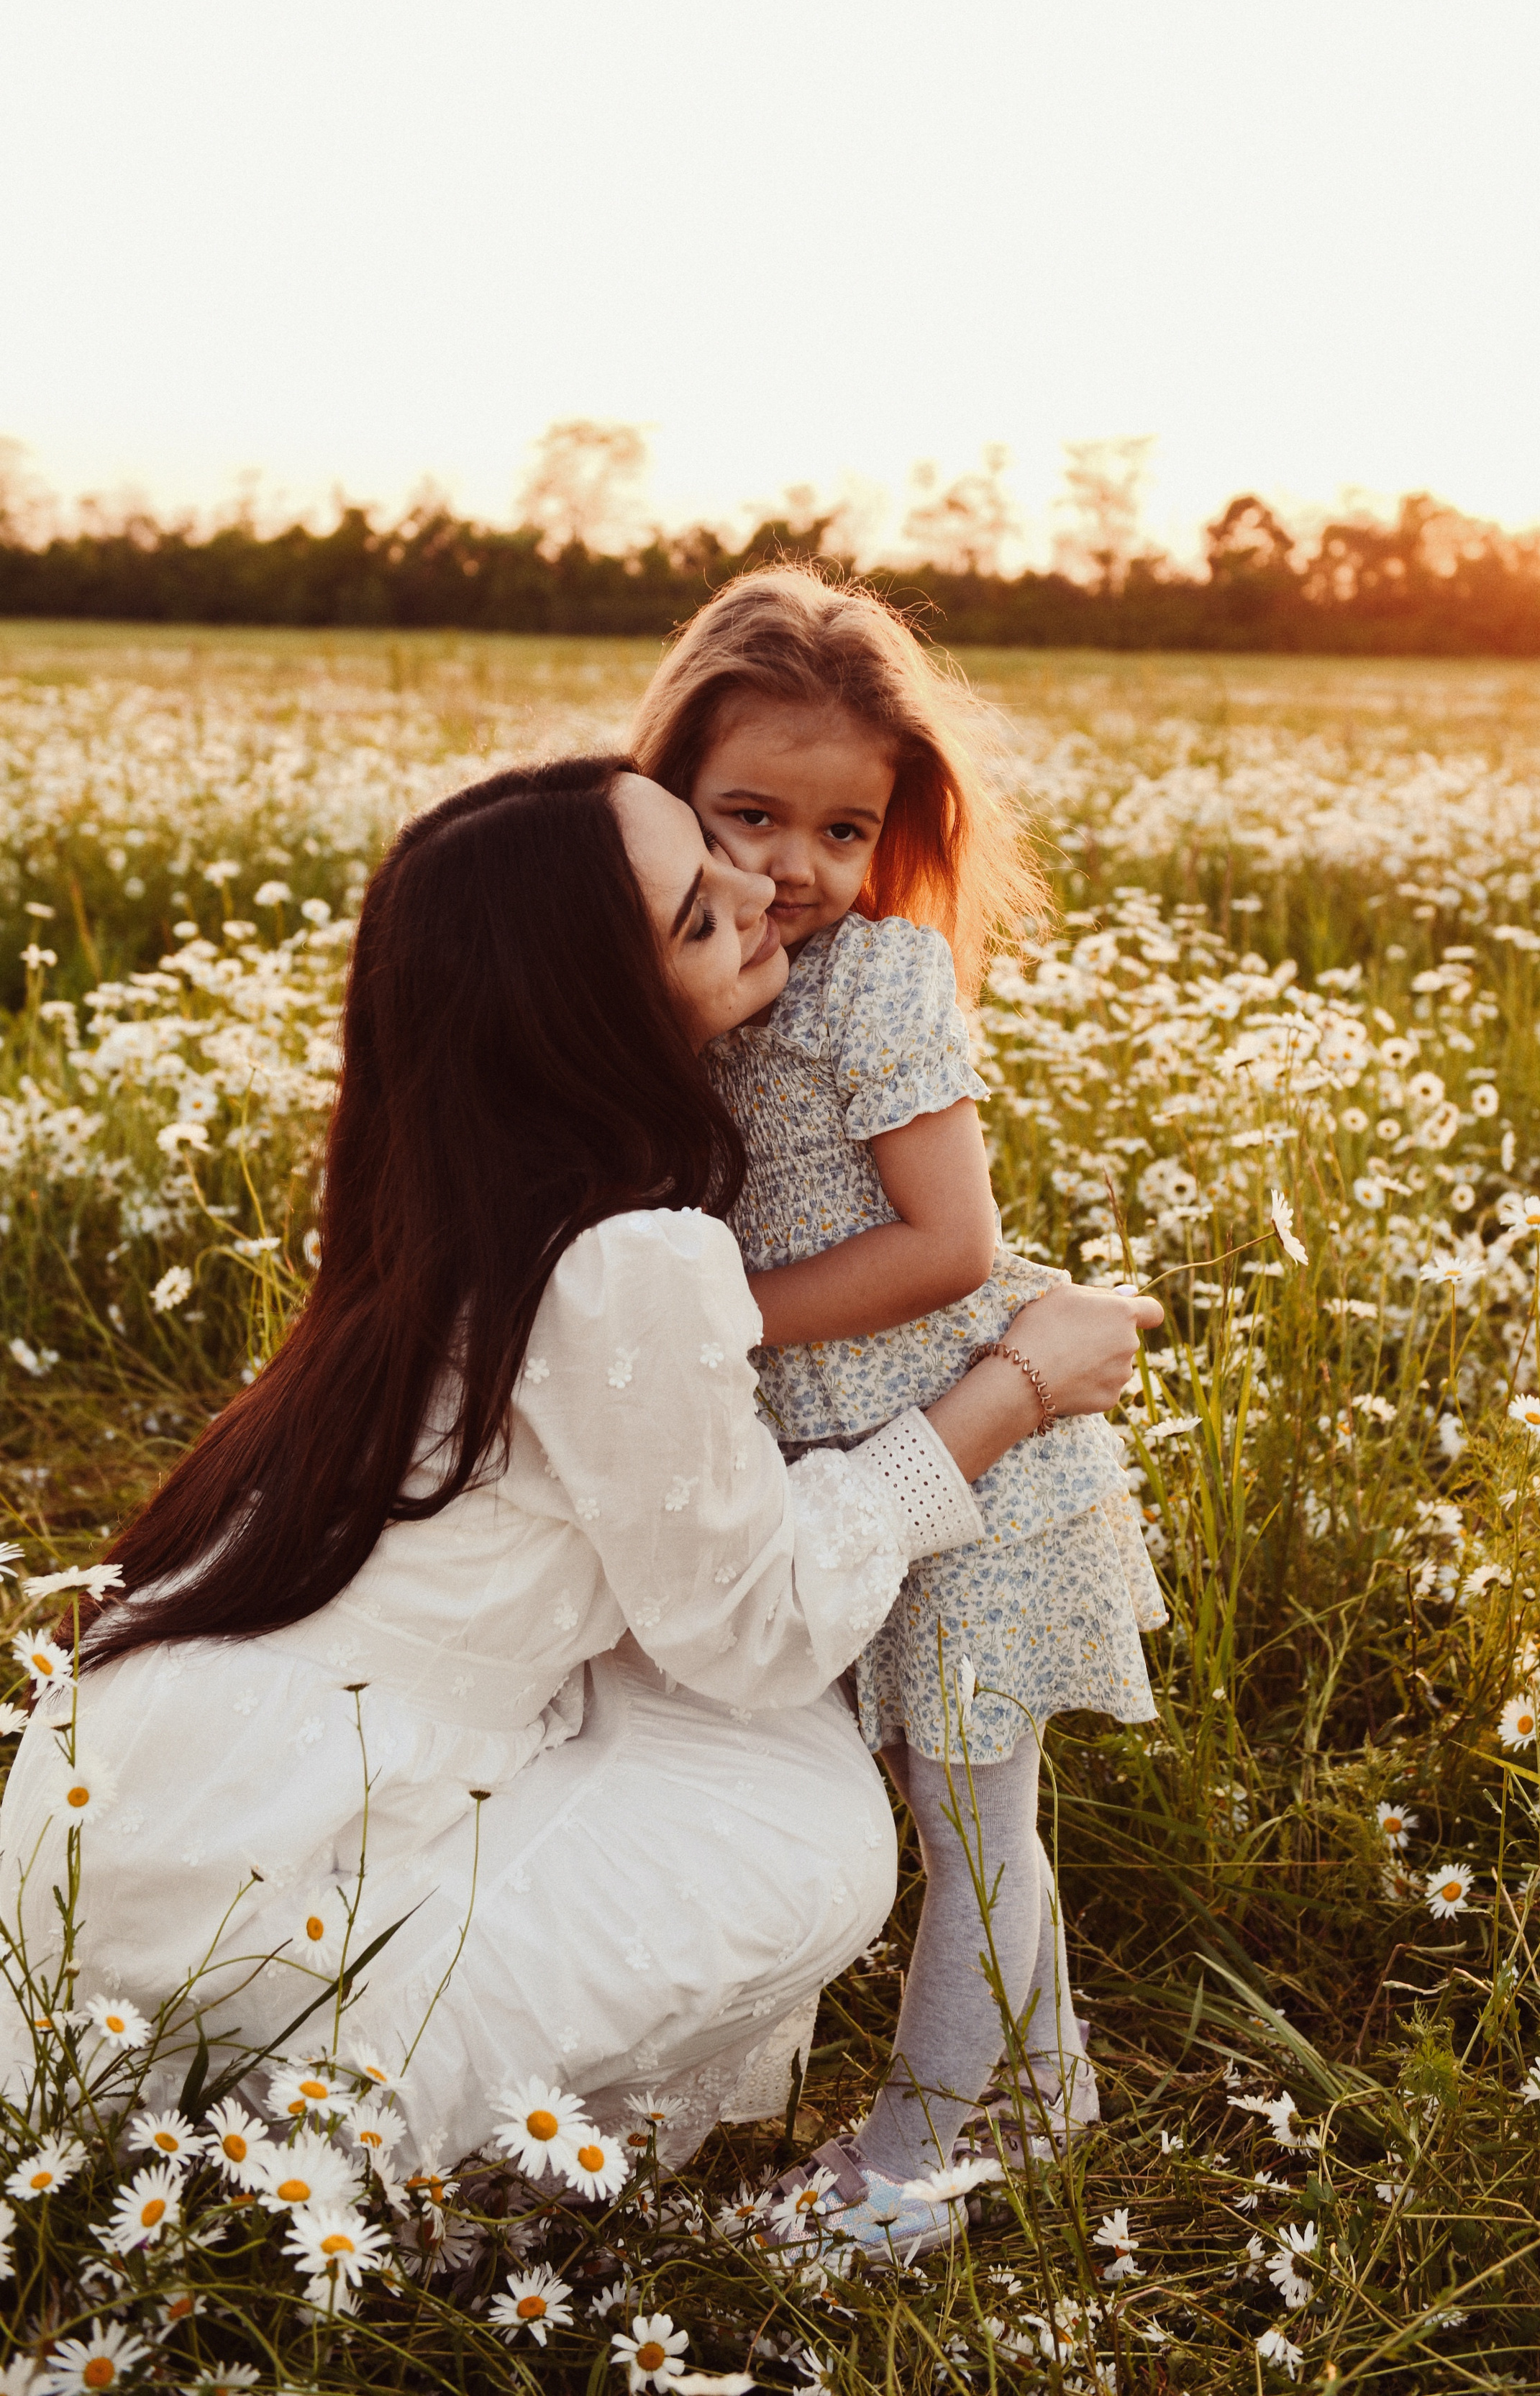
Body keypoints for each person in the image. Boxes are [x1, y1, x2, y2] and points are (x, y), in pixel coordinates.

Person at [0, 756, 1155, 2201]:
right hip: (290, 1854)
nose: (762, 889)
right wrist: (1014, 1387)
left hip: (160, 1797)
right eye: (697, 914)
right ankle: (318, 2150)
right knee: (815, 1841)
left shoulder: (454, 1184)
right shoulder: (629, 1256)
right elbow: (761, 1630)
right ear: (592, 1019)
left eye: (714, 849)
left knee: (727, 1735)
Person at [632, 569, 1168, 2247]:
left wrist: (702, 1320)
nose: (795, 866)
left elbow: (952, 1247)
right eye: (749, 815)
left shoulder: (878, 979)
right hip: (840, 1466)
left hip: (972, 1453)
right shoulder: (681, 982)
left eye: (843, 830)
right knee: (918, 1797)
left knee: (968, 1815)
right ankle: (1045, 2088)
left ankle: (924, 2155)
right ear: (665, 794)